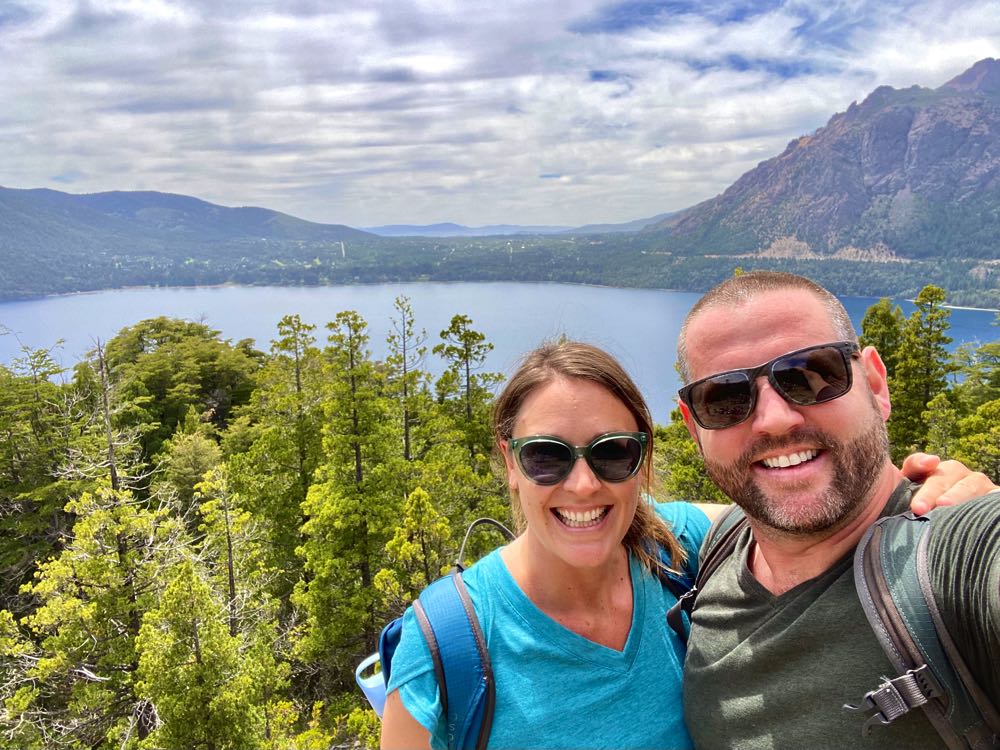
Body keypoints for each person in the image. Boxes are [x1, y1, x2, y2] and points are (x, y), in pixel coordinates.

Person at [380, 338, 995, 750]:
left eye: (613, 453)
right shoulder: (445, 650)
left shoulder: (680, 547)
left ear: (643, 461)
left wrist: (936, 497)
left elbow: (793, 505)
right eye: (547, 457)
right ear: (509, 463)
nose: (583, 484)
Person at [677, 271, 1000, 749]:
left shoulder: (957, 556)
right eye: (724, 399)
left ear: (875, 382)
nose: (774, 420)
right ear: (694, 428)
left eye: (811, 374)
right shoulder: (715, 549)